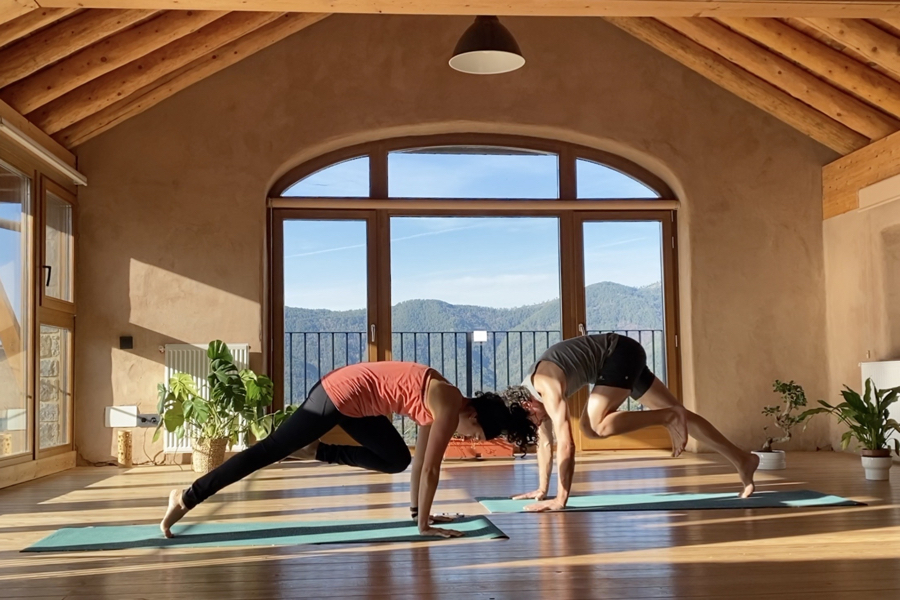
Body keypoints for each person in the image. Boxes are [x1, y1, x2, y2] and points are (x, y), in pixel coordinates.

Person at [161, 360, 537, 538]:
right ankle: (187, 496)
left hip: (360, 406)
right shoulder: (447, 403)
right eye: (473, 432)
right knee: (269, 451)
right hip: (336, 394)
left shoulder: (444, 401)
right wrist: (425, 527)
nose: (468, 438)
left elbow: (419, 460)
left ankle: (317, 451)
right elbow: (432, 471)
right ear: (470, 411)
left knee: (397, 459)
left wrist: (417, 514)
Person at [502, 333, 759, 511]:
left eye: (533, 419)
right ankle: (742, 459)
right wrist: (541, 489)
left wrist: (561, 498)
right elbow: (546, 444)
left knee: (592, 427)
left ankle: (667, 417)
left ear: (527, 405)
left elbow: (567, 446)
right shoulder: (533, 398)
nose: (538, 422)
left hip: (619, 354)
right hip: (620, 357)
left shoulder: (546, 385)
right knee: (681, 414)